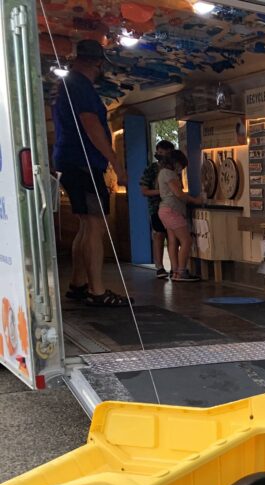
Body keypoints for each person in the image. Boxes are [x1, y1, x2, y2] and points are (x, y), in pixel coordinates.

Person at [52, 39, 130, 307]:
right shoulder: (80, 86)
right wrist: (116, 164)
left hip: (71, 161)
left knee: (86, 224)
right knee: (95, 222)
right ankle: (97, 291)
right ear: (97, 63)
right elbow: (91, 124)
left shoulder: (67, 85)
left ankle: (78, 283)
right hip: (83, 162)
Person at [157, 150, 204, 282]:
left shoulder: (162, 173)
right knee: (186, 241)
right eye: (181, 166)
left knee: (173, 241)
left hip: (165, 210)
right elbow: (178, 194)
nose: (181, 169)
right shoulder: (169, 174)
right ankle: (182, 272)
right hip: (172, 210)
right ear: (176, 162)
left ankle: (175, 271)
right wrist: (195, 200)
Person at [139, 139, 176, 279]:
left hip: (172, 207)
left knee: (172, 236)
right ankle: (159, 267)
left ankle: (175, 266)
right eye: (160, 153)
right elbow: (144, 191)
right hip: (155, 207)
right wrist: (162, 192)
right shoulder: (151, 169)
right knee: (159, 235)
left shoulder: (173, 170)